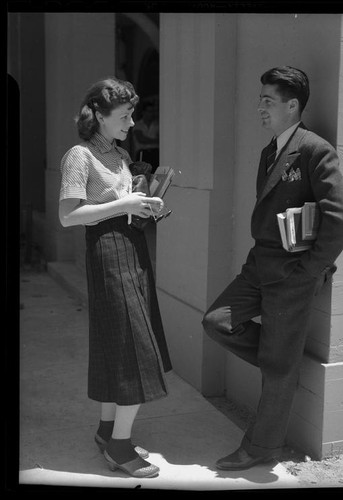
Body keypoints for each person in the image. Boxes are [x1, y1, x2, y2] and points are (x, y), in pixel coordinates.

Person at [202, 66, 343, 471]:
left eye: (268, 101)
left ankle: (262, 448)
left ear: (292, 105)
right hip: (259, 267)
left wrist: (311, 270)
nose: (260, 107)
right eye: (260, 100)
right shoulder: (270, 150)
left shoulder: (314, 149)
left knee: (277, 364)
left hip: (292, 276)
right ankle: (282, 362)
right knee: (217, 321)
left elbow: (341, 216)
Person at [58, 77, 172, 479]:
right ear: (99, 116)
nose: (132, 122)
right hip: (106, 251)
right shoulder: (80, 155)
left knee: (116, 340)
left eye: (132, 114)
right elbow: (68, 215)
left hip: (132, 247)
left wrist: (142, 207)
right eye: (124, 116)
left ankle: (108, 432)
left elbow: (116, 206)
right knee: (132, 347)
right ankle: (120, 449)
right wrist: (124, 203)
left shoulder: (121, 155)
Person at [133, 99, 159, 172]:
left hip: (155, 153)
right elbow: (141, 139)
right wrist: (156, 140)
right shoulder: (138, 125)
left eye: (153, 111)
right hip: (143, 153)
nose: (151, 114)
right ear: (143, 112)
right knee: (143, 173)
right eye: (149, 111)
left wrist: (148, 140)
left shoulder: (157, 124)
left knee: (156, 173)